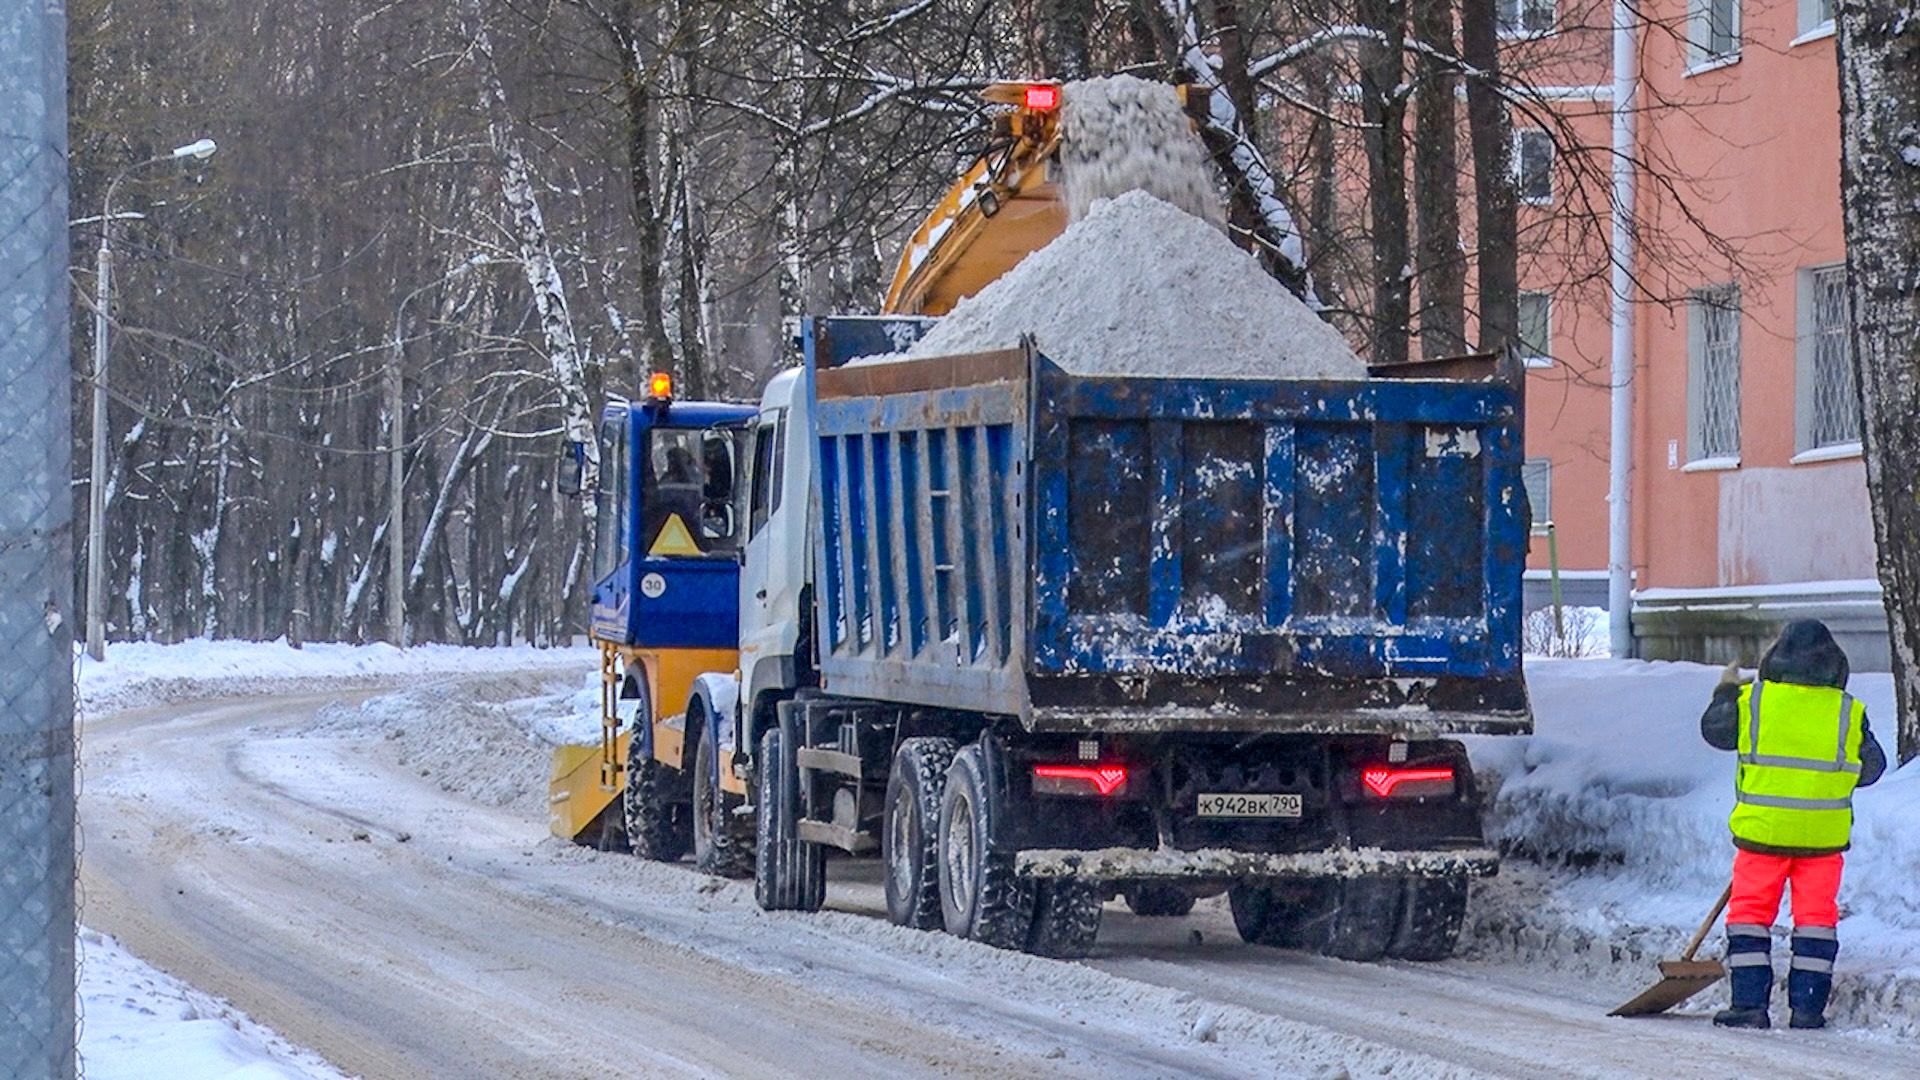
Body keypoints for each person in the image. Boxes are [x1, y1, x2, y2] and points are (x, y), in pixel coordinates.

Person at [1699, 619, 1887, 1030]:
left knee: (1750, 916)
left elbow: (1714, 732)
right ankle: (1807, 1009)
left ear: (1775, 660)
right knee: (1817, 921)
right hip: (1823, 840)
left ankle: (1749, 1006)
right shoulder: (1847, 711)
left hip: (1762, 835)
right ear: (1836, 665)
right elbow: (1873, 768)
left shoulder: (1754, 701)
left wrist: (1725, 692)